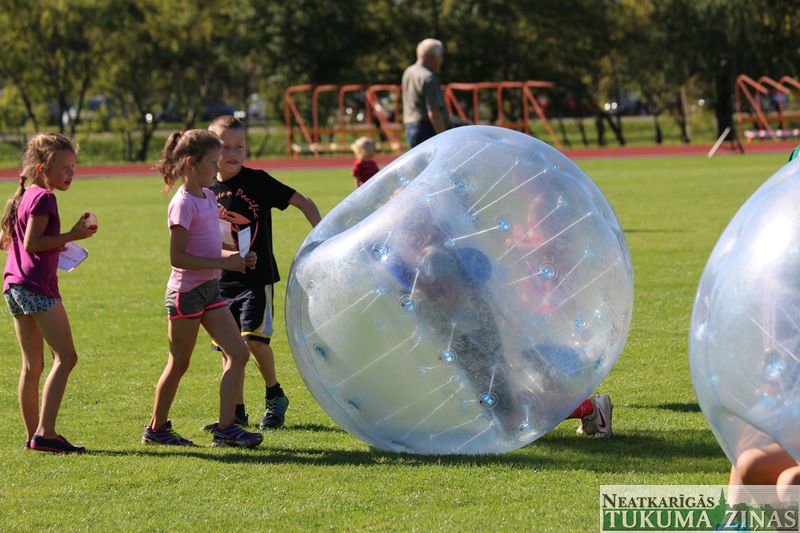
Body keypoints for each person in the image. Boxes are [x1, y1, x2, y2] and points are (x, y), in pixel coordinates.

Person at [142, 129, 263, 448]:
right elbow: (178, 257)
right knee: (179, 364)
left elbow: (211, 250)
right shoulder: (182, 204)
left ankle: (227, 428)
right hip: (186, 294)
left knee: (238, 353)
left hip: (210, 290)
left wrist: (235, 258)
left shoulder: (209, 197)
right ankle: (156, 429)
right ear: (191, 164)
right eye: (212, 162)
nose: (217, 167)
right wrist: (225, 263)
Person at [207, 115, 321, 430]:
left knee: (254, 341)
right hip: (220, 280)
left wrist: (321, 234)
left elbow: (303, 201)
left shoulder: (257, 181)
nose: (233, 152)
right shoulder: (206, 187)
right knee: (228, 349)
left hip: (256, 280)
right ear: (211, 148)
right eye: (225, 146)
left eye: (239, 146)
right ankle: (235, 412)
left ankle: (275, 394)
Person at [1, 133, 96, 453]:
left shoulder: (25, 194)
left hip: (14, 285)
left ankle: (34, 436)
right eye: (65, 167)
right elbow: (33, 243)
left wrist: (60, 244)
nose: (71, 173)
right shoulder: (44, 198)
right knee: (66, 357)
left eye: (73, 166)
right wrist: (73, 234)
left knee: (32, 366)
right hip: (36, 286)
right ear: (42, 168)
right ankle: (46, 434)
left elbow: (16, 242)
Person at [402, 38, 450, 148]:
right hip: (426, 129)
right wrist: (444, 138)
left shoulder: (408, 72)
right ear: (432, 57)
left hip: (410, 127)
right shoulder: (428, 77)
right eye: (440, 56)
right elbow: (434, 113)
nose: (441, 60)